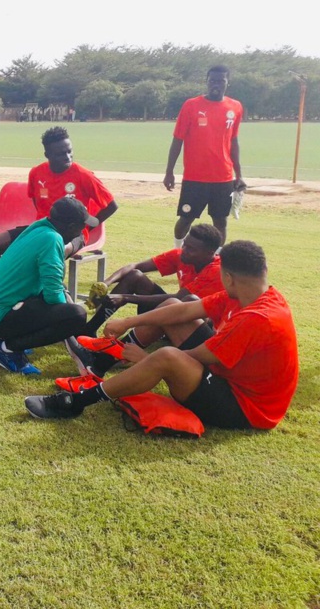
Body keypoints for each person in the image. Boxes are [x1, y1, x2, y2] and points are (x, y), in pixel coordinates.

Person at [25, 241, 299, 431]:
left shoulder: (256, 318)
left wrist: (146, 359)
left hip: (246, 407)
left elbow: (194, 358)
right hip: (231, 378)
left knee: (166, 356)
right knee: (172, 308)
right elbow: (187, 311)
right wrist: (127, 321)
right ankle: (98, 365)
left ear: (228, 277)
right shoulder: (255, 295)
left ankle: (76, 402)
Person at [0, 197, 94, 374]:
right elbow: (53, 295)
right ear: (70, 227)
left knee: (62, 302)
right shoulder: (52, 239)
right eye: (81, 226)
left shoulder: (40, 227)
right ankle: (7, 349)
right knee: (75, 315)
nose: (83, 231)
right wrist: (69, 326)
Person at [0, 126, 117, 272]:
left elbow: (111, 205)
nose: (68, 157)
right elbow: (37, 203)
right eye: (60, 154)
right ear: (47, 154)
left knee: (49, 254)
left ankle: (53, 291)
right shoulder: (36, 173)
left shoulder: (84, 175)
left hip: (73, 234)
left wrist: (86, 225)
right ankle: (0, 288)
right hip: (42, 228)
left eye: (69, 151)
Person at [83, 223, 224, 337]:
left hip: (199, 325)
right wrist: (105, 284)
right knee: (135, 276)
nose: (184, 249)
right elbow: (135, 266)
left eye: (191, 249)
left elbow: (179, 298)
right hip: (176, 311)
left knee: (189, 299)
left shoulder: (217, 271)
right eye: (184, 244)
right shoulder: (181, 255)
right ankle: (90, 328)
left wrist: (125, 298)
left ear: (210, 253)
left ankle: (122, 348)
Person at [164, 65, 245, 247]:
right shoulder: (191, 105)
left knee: (221, 222)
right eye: (212, 81)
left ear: (227, 83)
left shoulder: (235, 107)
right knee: (186, 219)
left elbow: (234, 141)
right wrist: (169, 172)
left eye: (221, 81)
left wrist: (239, 174)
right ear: (206, 82)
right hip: (195, 177)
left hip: (223, 177)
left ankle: (215, 261)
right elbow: (177, 140)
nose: (216, 84)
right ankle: (178, 252)